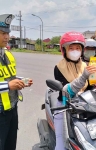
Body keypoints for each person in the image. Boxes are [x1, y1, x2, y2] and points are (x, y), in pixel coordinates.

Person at [53, 31, 96, 150]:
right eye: (71, 48)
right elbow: (67, 90)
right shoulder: (59, 67)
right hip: (64, 106)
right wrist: (83, 77)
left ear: (82, 50)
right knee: (61, 144)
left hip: (85, 105)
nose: (75, 50)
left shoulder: (85, 65)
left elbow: (91, 87)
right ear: (64, 50)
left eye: (78, 48)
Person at [0, 14, 33, 150]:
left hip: (12, 109)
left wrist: (20, 81)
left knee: (10, 146)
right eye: (2, 33)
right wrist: (8, 86)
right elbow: (7, 83)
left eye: (7, 33)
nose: (6, 37)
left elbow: (9, 76)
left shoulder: (7, 54)